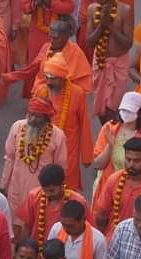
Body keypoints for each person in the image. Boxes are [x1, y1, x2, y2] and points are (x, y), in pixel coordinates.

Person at [32, 55, 93, 191]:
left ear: (63, 78)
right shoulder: (41, 91)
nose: (48, 82)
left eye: (52, 78)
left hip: (68, 149)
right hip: (43, 146)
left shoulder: (77, 94)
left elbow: (84, 125)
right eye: (46, 77)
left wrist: (86, 155)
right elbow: (31, 120)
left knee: (66, 186)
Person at [1, 97, 69, 213]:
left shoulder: (58, 136)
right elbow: (9, 158)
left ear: (47, 118)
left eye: (38, 116)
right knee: (14, 224)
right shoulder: (17, 127)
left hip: (41, 192)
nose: (32, 119)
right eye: (31, 114)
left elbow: (60, 167)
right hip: (16, 188)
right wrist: (4, 185)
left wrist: (56, 194)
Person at [93, 93, 141, 197]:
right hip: (108, 188)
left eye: (129, 111)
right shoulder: (109, 128)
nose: (125, 113)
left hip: (137, 189)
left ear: (139, 113)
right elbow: (98, 165)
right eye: (123, 110)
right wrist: (109, 146)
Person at [15, 164, 89, 248]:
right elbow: (27, 227)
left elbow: (88, 230)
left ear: (62, 183)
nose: (47, 194)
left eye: (52, 190)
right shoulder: (34, 196)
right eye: (44, 190)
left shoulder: (78, 201)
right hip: (37, 254)